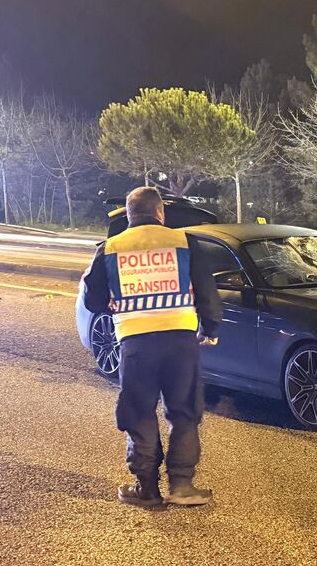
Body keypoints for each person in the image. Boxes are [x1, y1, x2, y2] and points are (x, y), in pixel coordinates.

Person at [81, 187, 223, 507]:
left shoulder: (110, 248)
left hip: (136, 342)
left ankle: (147, 487)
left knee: (140, 410)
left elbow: (92, 299)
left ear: (129, 215)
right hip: (181, 342)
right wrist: (210, 327)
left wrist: (119, 304)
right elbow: (207, 290)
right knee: (183, 411)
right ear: (161, 213)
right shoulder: (186, 243)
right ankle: (182, 486)